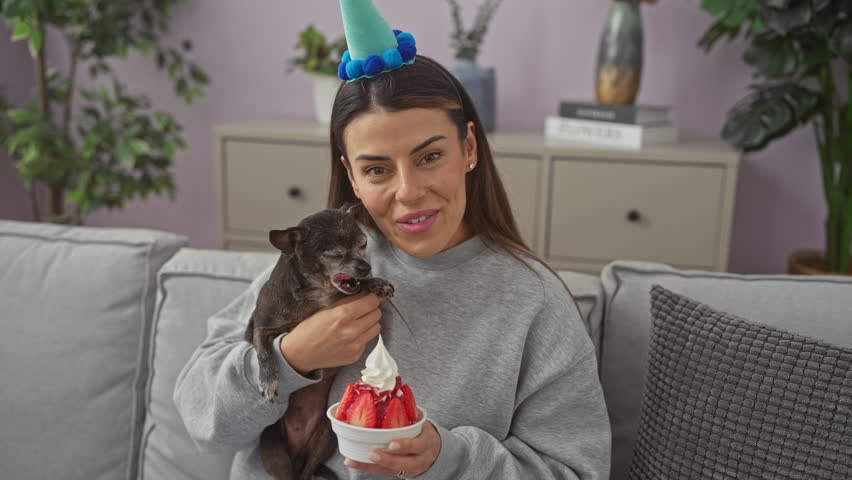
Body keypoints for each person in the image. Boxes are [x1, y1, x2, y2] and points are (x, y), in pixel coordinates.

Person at [174, 2, 611, 479]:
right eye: (377, 169)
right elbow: (201, 416)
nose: (408, 192)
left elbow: (576, 471)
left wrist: (449, 458)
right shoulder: (318, 259)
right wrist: (292, 357)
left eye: (429, 157)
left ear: (469, 148)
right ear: (352, 178)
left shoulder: (533, 302)